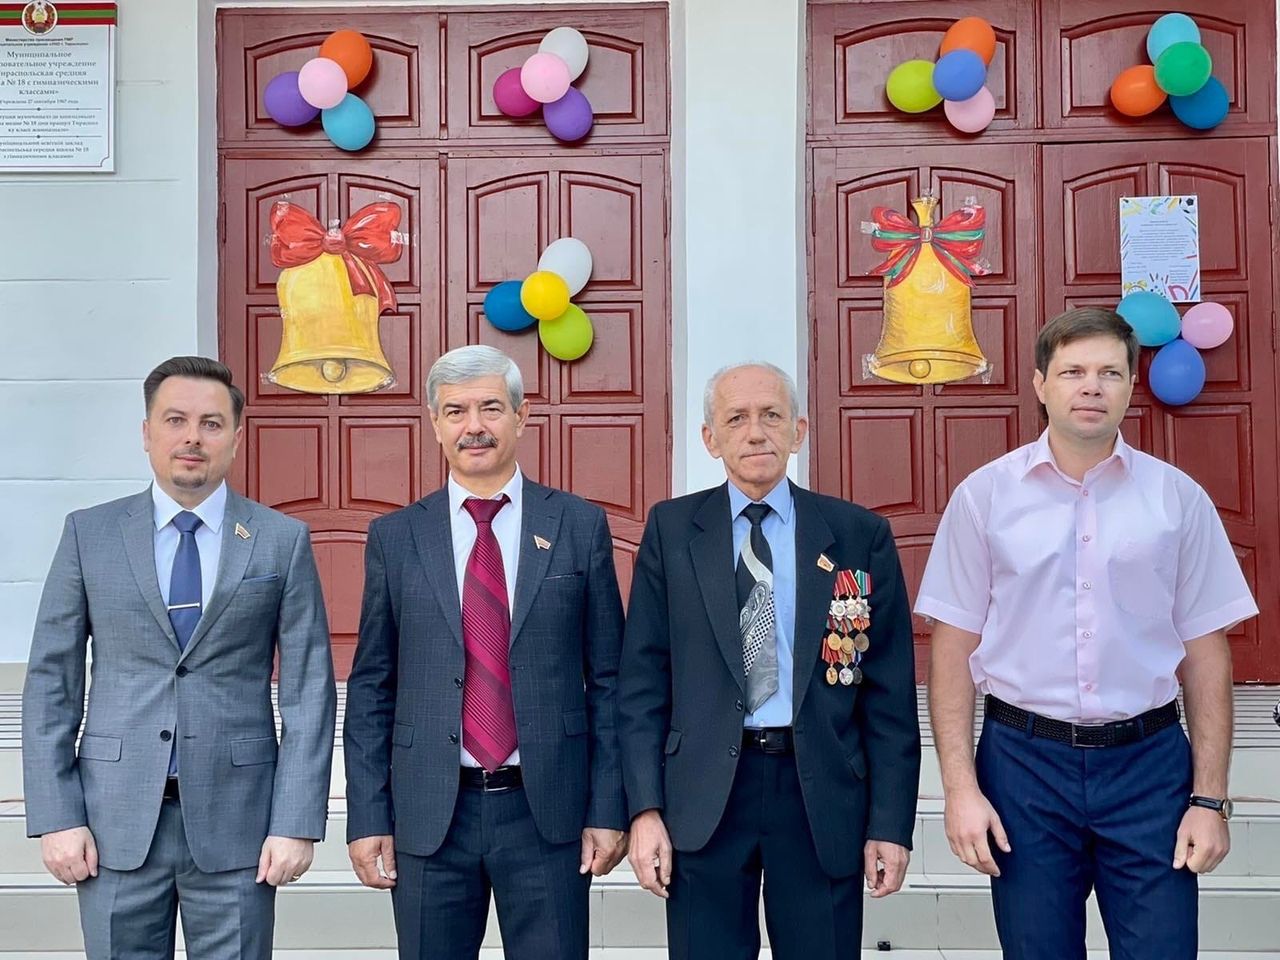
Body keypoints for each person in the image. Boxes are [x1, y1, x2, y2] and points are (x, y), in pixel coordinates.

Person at [918, 307, 1257, 959]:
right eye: (1073, 371)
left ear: (1131, 386)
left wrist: (1209, 798)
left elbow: (1206, 655)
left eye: (1109, 372)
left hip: (1149, 767)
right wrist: (959, 789)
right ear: (1041, 384)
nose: (1091, 387)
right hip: (1023, 767)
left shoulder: (1176, 500)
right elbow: (952, 650)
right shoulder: (985, 497)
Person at [22, 356, 337, 960]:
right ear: (147, 433)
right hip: (111, 823)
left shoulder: (280, 540)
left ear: (236, 438)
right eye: (175, 420)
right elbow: (50, 683)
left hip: (239, 826)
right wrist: (58, 814)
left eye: (211, 424)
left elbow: (309, 691)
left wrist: (296, 820)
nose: (193, 437)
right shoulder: (89, 534)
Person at [619, 361, 920, 960]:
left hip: (819, 795)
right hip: (704, 795)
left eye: (772, 416)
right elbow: (643, 684)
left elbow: (889, 695)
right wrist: (644, 809)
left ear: (798, 431)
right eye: (736, 419)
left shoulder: (857, 534)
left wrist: (890, 823)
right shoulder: (672, 530)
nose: (755, 432)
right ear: (711, 439)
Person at [343, 344, 628, 960]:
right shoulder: (396, 536)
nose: (474, 426)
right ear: (435, 423)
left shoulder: (578, 525)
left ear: (521, 416)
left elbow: (610, 681)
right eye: (456, 411)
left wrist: (609, 807)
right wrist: (367, 815)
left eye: (491, 408)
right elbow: (371, 687)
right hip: (429, 815)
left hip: (547, 811)